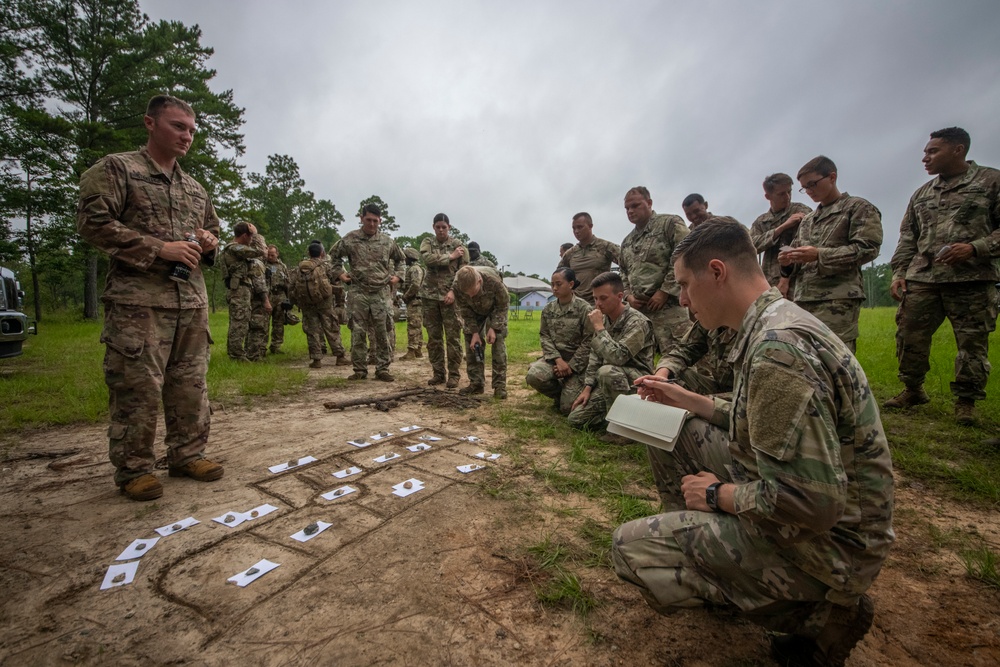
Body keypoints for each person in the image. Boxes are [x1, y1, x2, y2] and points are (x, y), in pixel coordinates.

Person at [614, 220, 894, 667]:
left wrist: (716, 495)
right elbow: (756, 421)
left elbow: (811, 504)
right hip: (825, 515)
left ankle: (819, 616)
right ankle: (721, 552)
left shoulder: (778, 349)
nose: (682, 299)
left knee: (631, 548)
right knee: (674, 427)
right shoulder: (771, 322)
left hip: (834, 548)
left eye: (686, 285)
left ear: (718, 272)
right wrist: (691, 400)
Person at [76, 94, 225, 501]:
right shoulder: (118, 169)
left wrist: (208, 242)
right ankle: (135, 468)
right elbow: (92, 223)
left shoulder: (194, 188)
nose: (187, 136)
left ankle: (187, 454)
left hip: (190, 302)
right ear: (150, 123)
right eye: (179, 126)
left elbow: (211, 232)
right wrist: (159, 248)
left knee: (190, 385)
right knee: (138, 387)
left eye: (192, 130)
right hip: (138, 304)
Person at [885, 127, 1000, 425]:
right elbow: (908, 237)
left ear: (958, 149)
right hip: (923, 279)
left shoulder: (990, 182)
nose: (925, 157)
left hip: (971, 280)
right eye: (925, 152)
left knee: (972, 343)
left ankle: (966, 402)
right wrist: (899, 272)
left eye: (933, 151)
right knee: (909, 335)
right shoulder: (922, 194)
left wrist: (975, 248)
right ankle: (912, 389)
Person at [778, 156, 883, 353]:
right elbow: (798, 258)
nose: (809, 191)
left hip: (837, 299)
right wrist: (787, 261)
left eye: (812, 184)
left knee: (837, 357)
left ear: (832, 177)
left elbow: (868, 248)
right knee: (807, 358)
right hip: (804, 298)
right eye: (804, 187)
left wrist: (819, 255)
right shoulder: (809, 220)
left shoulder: (858, 208)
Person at [567, 271, 655, 431]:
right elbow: (595, 357)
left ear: (620, 296)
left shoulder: (637, 322)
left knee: (607, 371)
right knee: (576, 419)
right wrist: (587, 388)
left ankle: (624, 430)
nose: (597, 304)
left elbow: (618, 357)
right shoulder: (604, 319)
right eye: (595, 298)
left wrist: (600, 329)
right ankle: (622, 419)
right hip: (610, 381)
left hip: (637, 382)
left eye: (603, 298)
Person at [330, 204, 404, 381]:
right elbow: (334, 256)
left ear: (380, 221)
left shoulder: (387, 241)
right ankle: (359, 369)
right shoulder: (350, 239)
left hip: (381, 292)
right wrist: (340, 273)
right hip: (358, 291)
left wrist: (398, 277)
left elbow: (401, 259)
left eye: (375, 221)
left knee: (382, 331)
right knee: (358, 331)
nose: (372, 224)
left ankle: (382, 369)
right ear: (361, 218)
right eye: (368, 220)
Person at [618, 186, 690, 356]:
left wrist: (664, 291)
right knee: (643, 360)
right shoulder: (627, 241)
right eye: (627, 208)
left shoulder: (669, 224)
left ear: (649, 203)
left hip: (669, 308)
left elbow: (685, 256)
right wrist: (629, 296)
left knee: (679, 358)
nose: (630, 211)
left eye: (635, 206)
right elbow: (623, 273)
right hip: (640, 311)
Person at [526, 267, 594, 414]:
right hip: (555, 360)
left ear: (570, 284)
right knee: (533, 375)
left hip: (578, 364)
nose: (554, 288)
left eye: (558, 284)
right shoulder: (548, 309)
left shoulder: (584, 309)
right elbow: (545, 335)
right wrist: (558, 360)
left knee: (567, 409)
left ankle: (569, 392)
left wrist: (571, 366)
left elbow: (589, 341)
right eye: (552, 285)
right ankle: (561, 393)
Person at [419, 213, 469, 388]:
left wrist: (453, 291)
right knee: (434, 339)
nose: (441, 230)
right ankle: (438, 373)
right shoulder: (428, 242)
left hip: (450, 298)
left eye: (444, 227)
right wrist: (450, 257)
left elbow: (464, 272)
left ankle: (454, 375)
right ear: (433, 227)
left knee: (453, 338)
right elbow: (427, 259)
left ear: (449, 227)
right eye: (438, 227)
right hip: (430, 297)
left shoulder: (459, 246)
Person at [749, 173, 813, 291]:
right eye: (782, 194)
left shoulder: (801, 211)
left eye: (789, 192)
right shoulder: (761, 222)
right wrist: (782, 228)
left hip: (799, 281)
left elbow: (810, 243)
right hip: (770, 283)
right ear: (768, 196)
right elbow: (752, 246)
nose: (787, 197)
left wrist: (786, 278)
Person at [453, 265, 509, 399]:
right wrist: (474, 333)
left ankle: (499, 386)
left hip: (495, 309)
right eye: (467, 294)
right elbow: (464, 310)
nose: (471, 296)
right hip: (473, 313)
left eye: (473, 291)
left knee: (498, 343)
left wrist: (494, 328)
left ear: (479, 281)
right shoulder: (457, 285)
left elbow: (503, 306)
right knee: (472, 345)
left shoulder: (494, 281)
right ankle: (476, 384)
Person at [220, 222, 266, 361]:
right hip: (239, 290)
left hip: (242, 289)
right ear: (245, 235)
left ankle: (236, 353)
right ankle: (236, 355)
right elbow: (262, 252)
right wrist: (257, 235)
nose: (252, 239)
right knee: (239, 322)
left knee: (241, 321)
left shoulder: (237, 249)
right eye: (251, 236)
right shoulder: (235, 248)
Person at [291, 241, 341, 369]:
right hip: (325, 302)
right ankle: (340, 356)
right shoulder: (325, 266)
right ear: (322, 253)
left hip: (307, 303)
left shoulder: (300, 267)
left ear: (308, 253)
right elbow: (335, 279)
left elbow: (292, 285)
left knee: (312, 331)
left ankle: (316, 359)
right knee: (331, 328)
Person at [558, 212, 621, 305]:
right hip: (577, 306)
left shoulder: (605, 247)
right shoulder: (570, 254)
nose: (576, 231)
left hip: (600, 304)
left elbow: (629, 265)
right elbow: (559, 277)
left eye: (580, 227)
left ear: (590, 226)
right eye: (574, 228)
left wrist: (622, 289)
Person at [399, 247, 425, 360]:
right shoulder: (416, 268)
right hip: (416, 300)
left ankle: (412, 350)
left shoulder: (414, 269)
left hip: (414, 301)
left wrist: (406, 295)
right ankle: (418, 350)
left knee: (413, 325)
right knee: (417, 325)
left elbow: (415, 284)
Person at [245, 254, 272, 361]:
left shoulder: (251, 261)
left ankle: (249, 352)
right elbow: (260, 285)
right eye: (265, 247)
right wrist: (266, 301)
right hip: (257, 300)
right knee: (257, 326)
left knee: (252, 326)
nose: (267, 250)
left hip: (251, 299)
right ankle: (254, 355)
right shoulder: (257, 263)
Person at [265, 245, 290, 354]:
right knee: (264, 323)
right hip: (267, 296)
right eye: (268, 255)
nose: (270, 257)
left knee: (278, 323)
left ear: (277, 254)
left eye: (272, 255)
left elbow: (288, 282)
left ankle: (276, 346)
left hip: (280, 296)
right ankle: (261, 347)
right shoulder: (263, 265)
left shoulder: (282, 266)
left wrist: (289, 298)